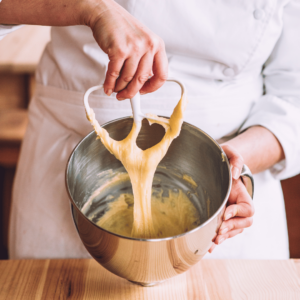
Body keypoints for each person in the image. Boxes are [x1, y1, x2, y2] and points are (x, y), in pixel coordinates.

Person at [0, 0, 299, 260]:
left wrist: (233, 165)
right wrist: (89, 6)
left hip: (226, 205)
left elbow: (293, 100)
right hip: (68, 167)